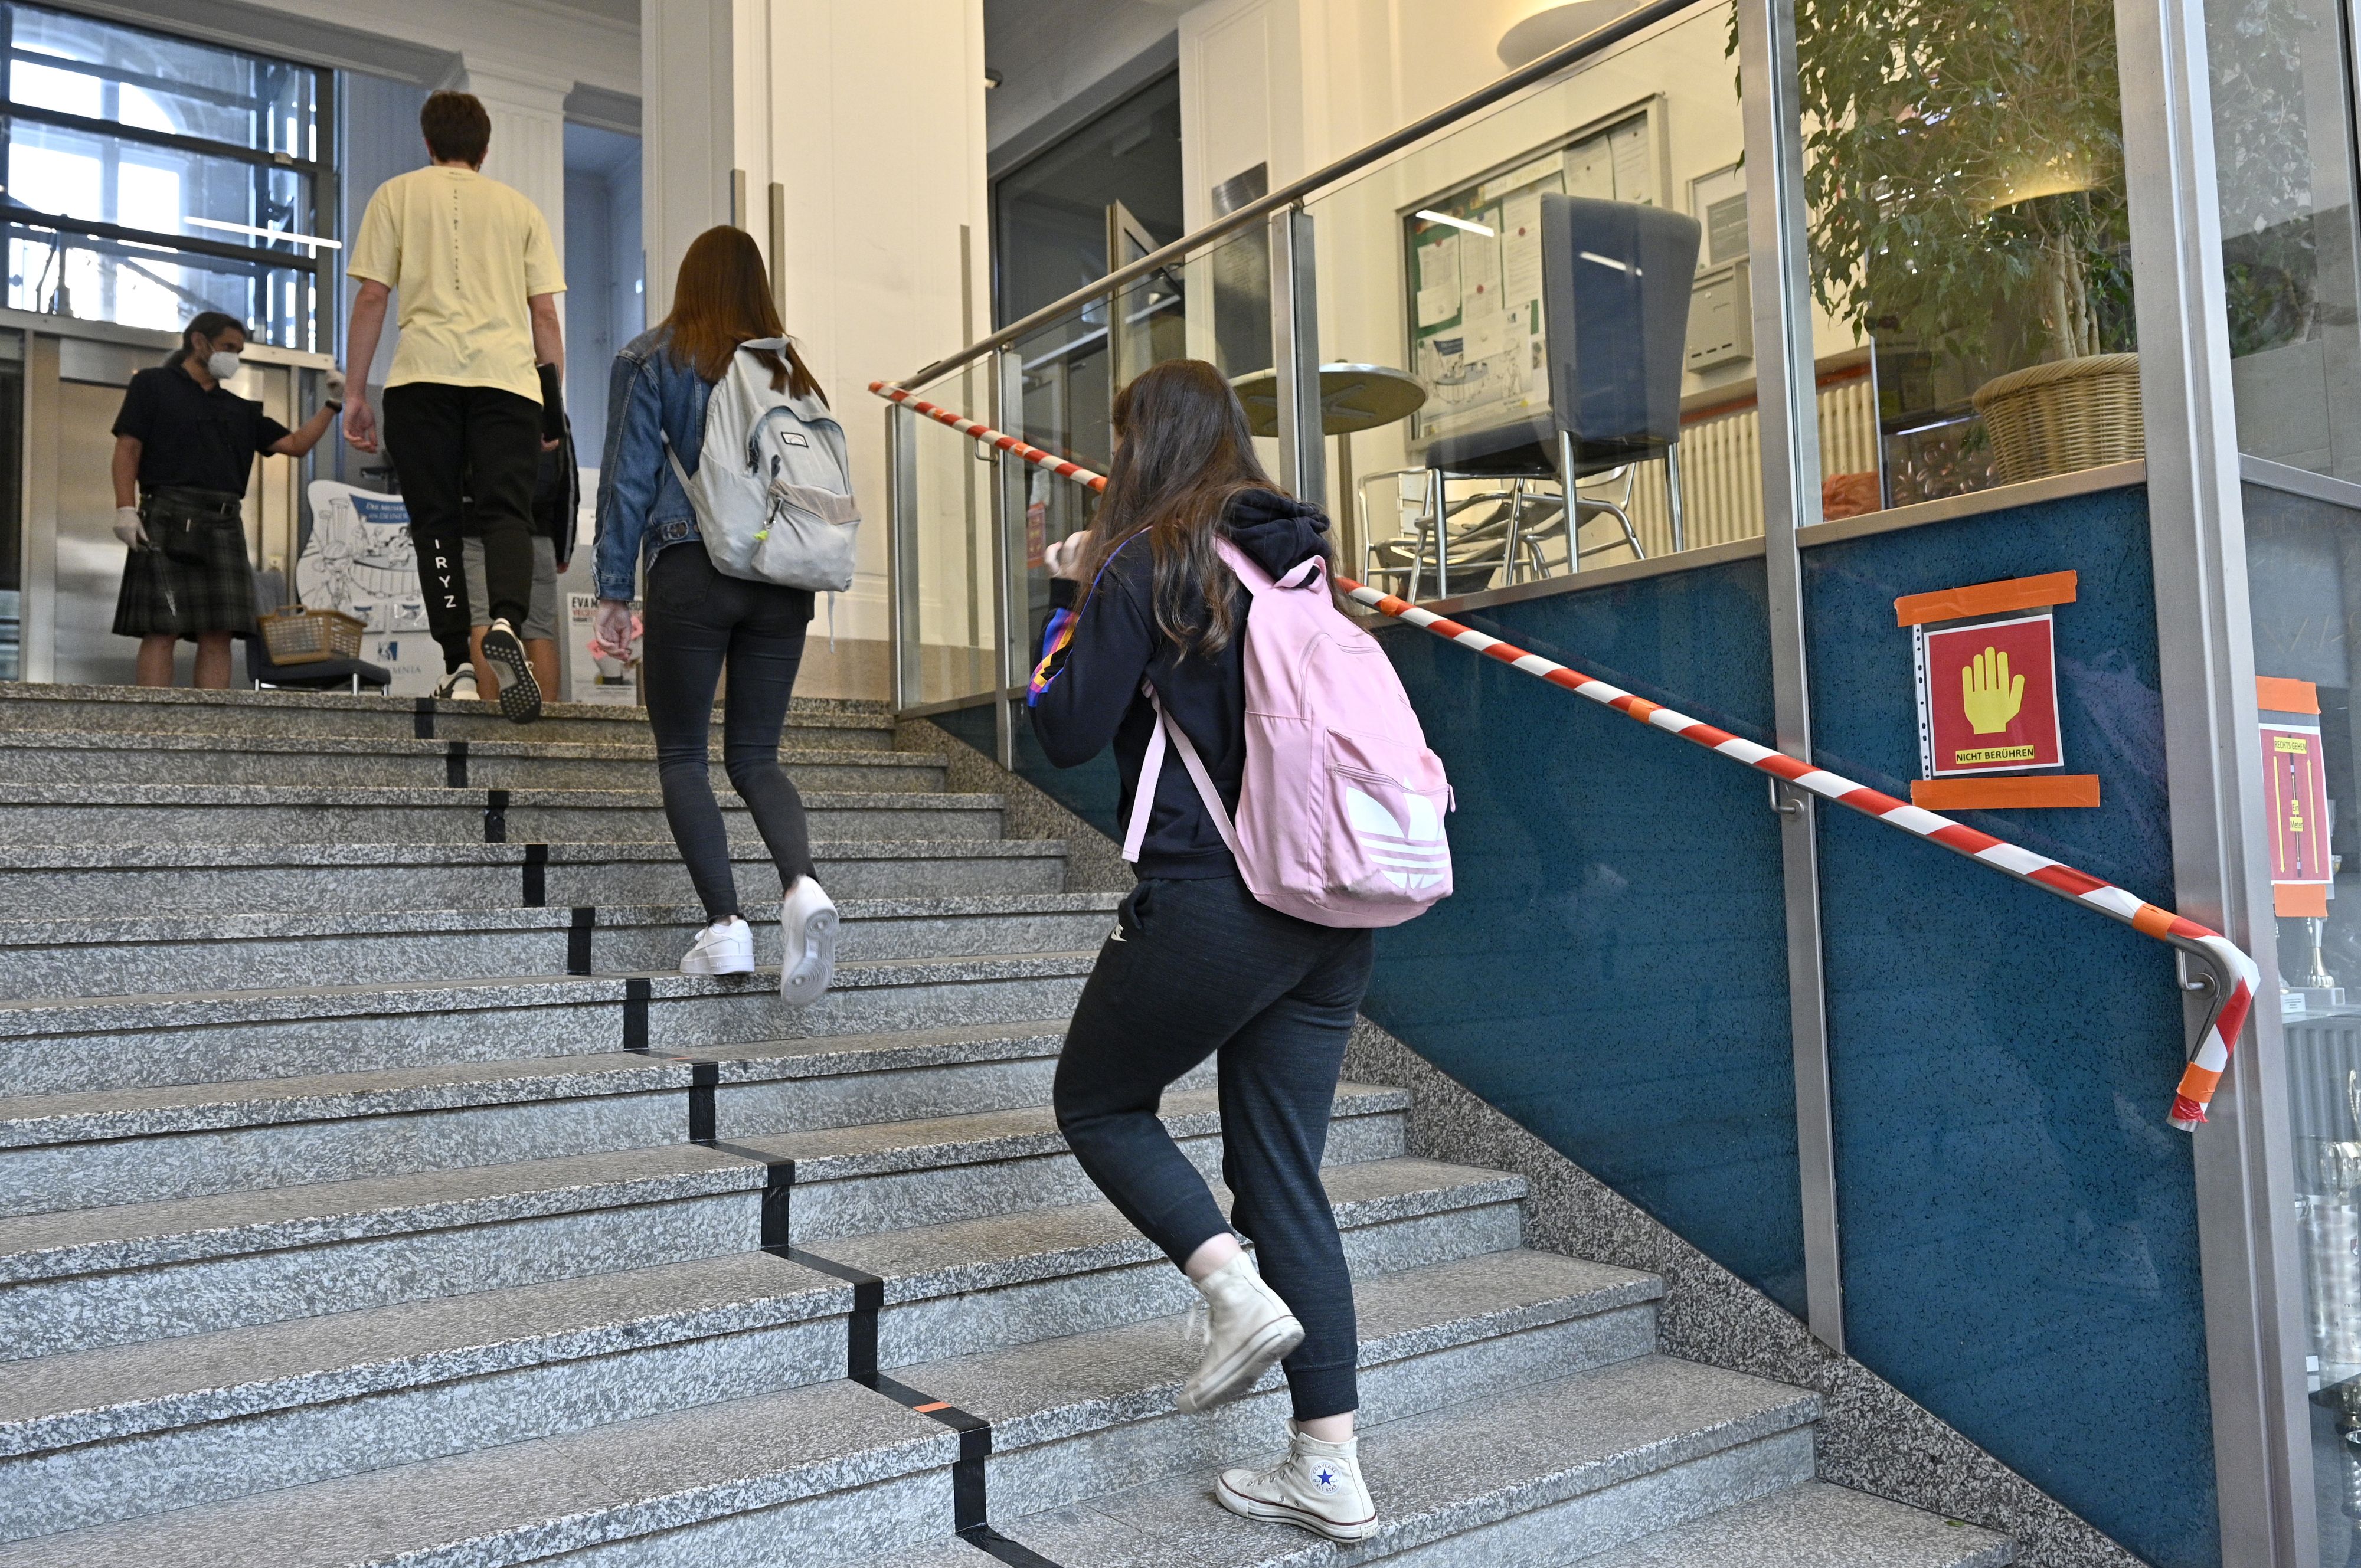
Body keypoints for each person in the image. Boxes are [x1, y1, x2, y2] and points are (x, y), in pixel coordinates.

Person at [1029, 359, 1378, 1544]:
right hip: (1333, 906)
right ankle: (1326, 1462)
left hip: (1215, 894)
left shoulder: (1144, 560)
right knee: (1284, 1172)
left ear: (1140, 446)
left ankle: (1229, 1288)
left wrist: (1060, 594)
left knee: (1098, 1099)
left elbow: (1066, 728)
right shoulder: (1296, 562)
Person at [593, 225, 839, 997]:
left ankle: (727, 926)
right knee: (758, 756)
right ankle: (803, 887)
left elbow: (630, 479)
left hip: (693, 562)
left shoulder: (652, 356)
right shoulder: (789, 367)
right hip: (783, 574)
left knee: (684, 755)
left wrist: (612, 590)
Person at [341, 89, 565, 723]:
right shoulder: (522, 209)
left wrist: (359, 393)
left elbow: (371, 300)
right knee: (507, 515)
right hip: (507, 382)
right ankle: (506, 623)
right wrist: (552, 408)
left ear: (428, 142)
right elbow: (544, 314)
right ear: (485, 148)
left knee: (435, 523)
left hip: (422, 380)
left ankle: (459, 666)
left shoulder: (396, 195)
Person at [109, 311, 342, 688]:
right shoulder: (153, 385)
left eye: (239, 350)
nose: (234, 356)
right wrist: (124, 507)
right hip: (165, 511)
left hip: (223, 520)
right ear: (200, 342)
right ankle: (149, 729)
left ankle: (209, 729)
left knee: (219, 633)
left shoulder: (240, 409)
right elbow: (128, 447)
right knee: (160, 628)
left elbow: (297, 445)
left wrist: (333, 405)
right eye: (228, 347)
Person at [460, 432, 576, 703]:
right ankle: (544, 724)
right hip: (537, 530)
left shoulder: (474, 397)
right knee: (539, 630)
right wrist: (564, 548)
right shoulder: (550, 413)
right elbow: (568, 486)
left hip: (479, 528)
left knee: (483, 621)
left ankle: (487, 721)